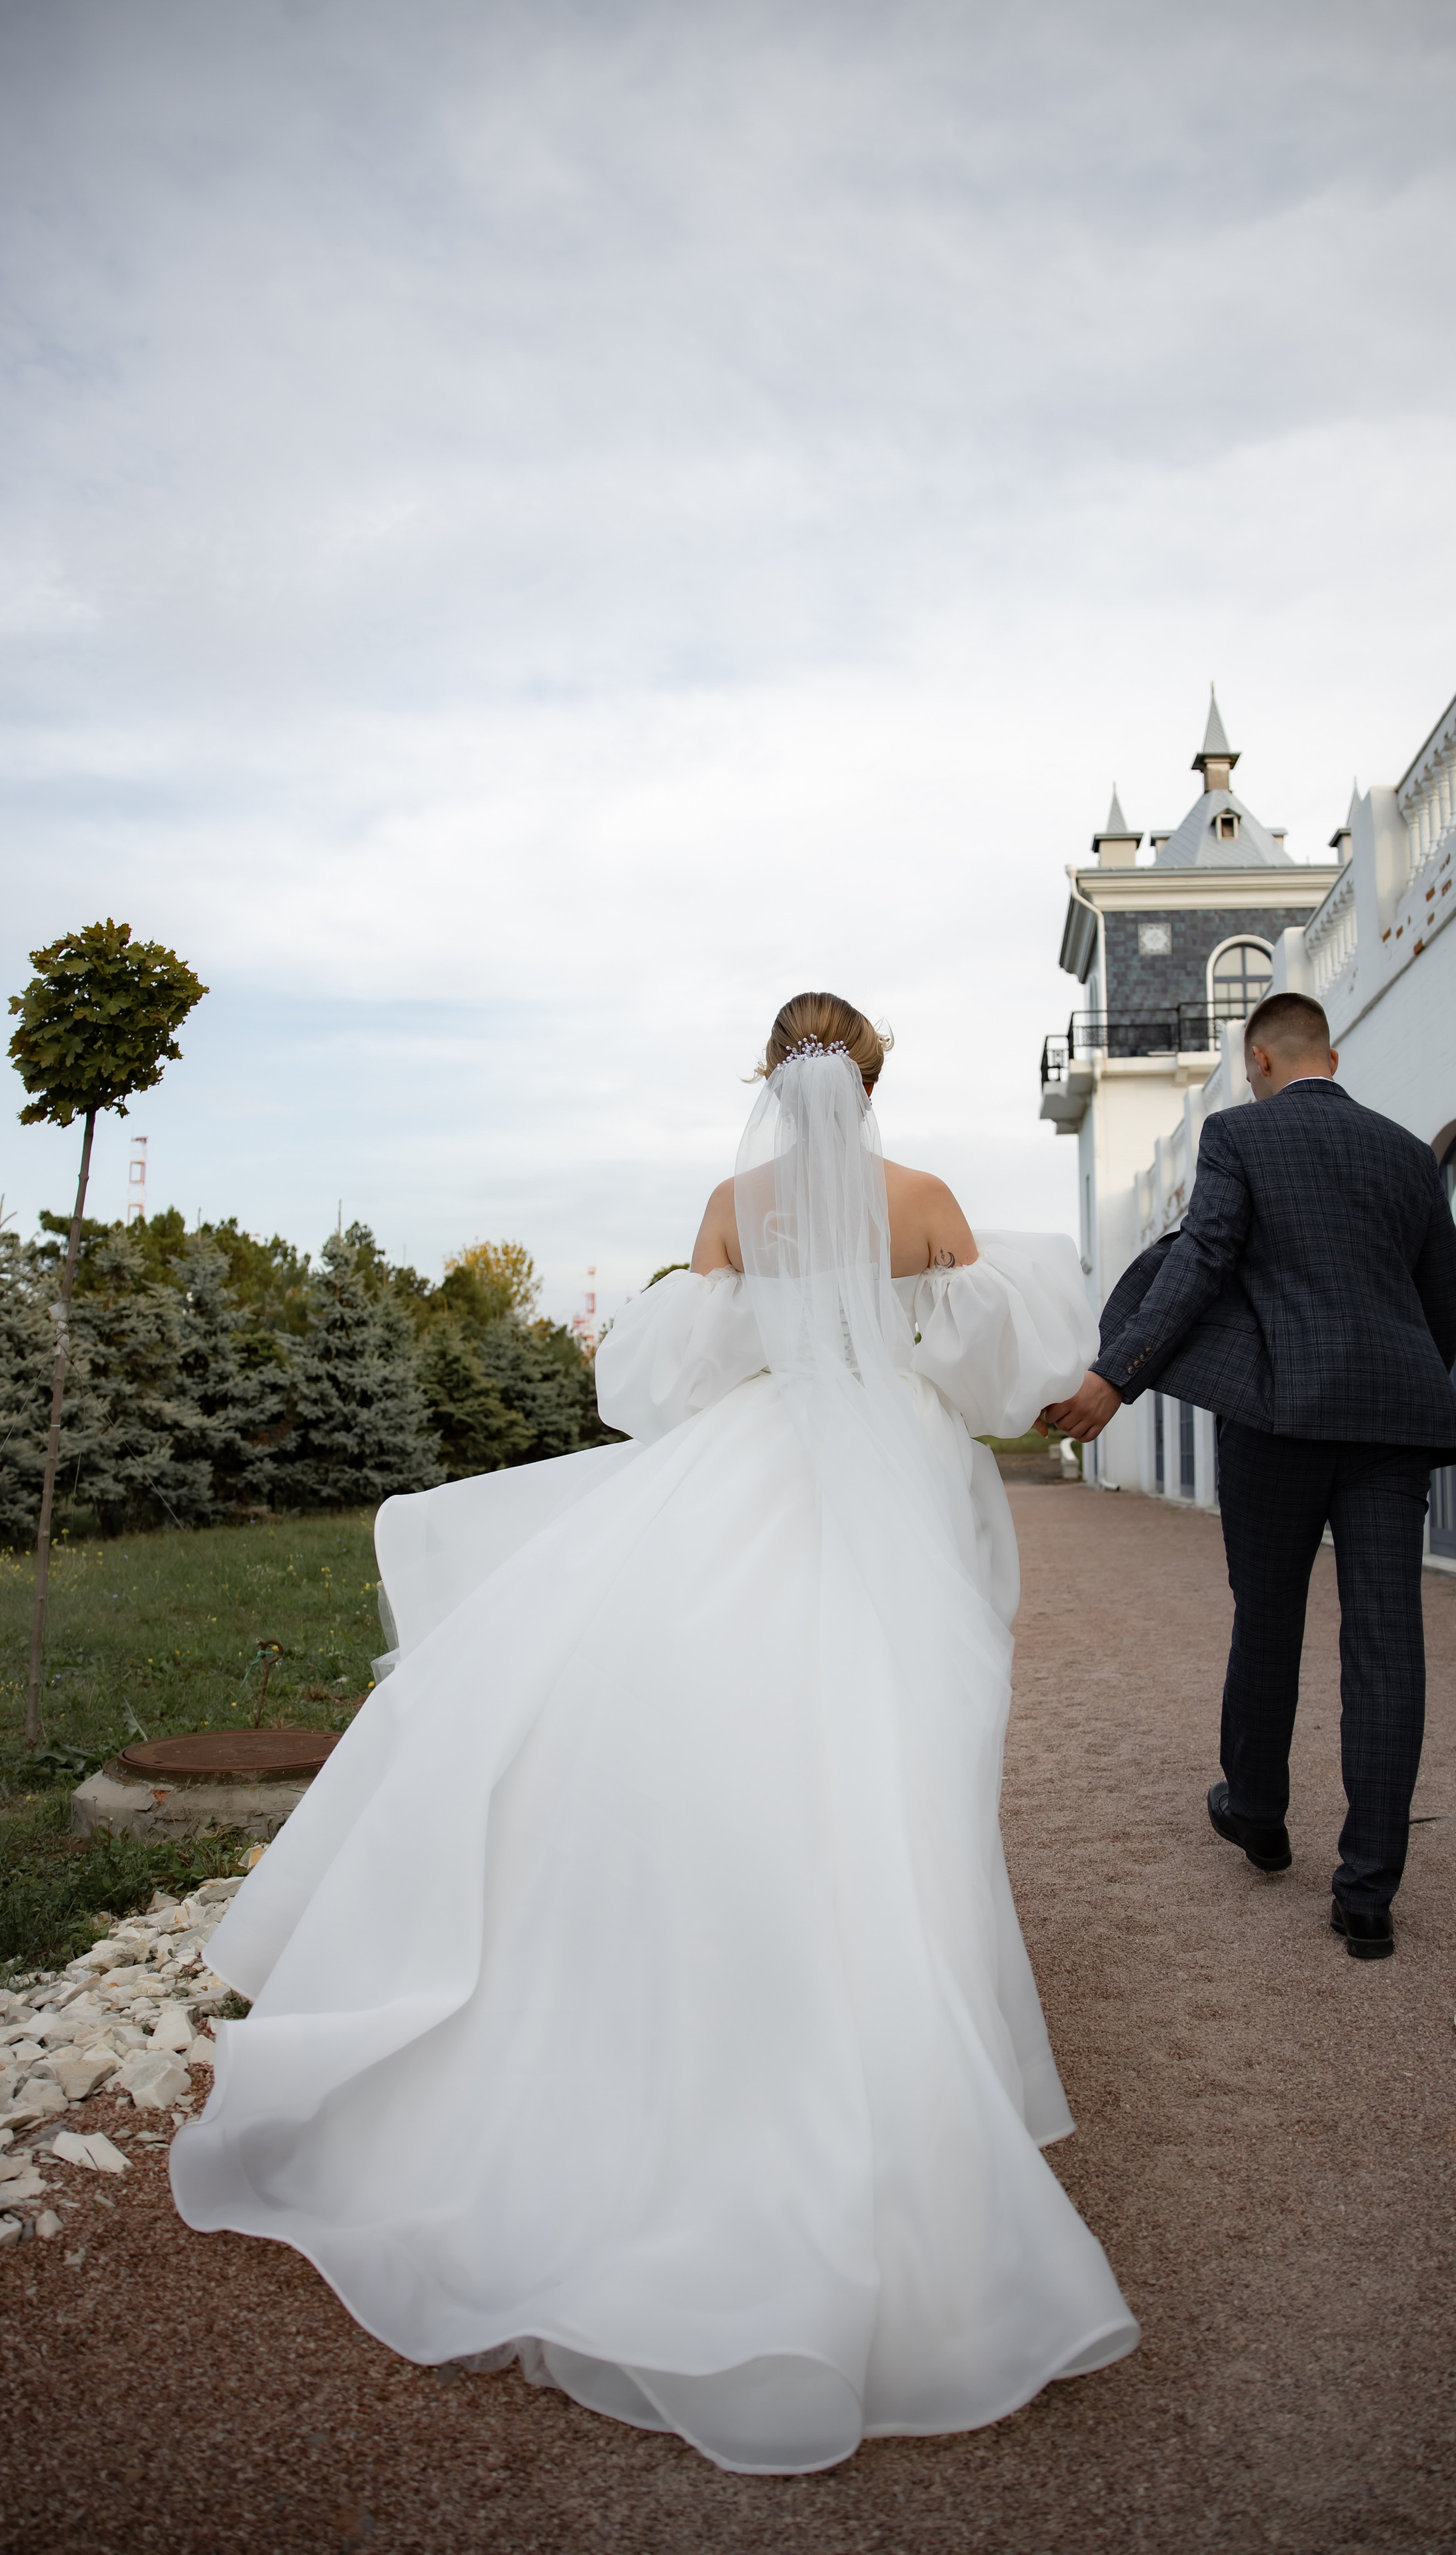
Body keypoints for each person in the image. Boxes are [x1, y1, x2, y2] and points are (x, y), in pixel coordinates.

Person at [172, 993, 1137, 2476]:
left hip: (747, 1475)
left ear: (766, 1078)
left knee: (708, 1737)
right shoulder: (926, 1201)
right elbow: (982, 1375)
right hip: (886, 1474)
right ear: (873, 1081)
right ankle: (889, 2031)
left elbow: (664, 1384)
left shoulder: (728, 1206)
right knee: (887, 1754)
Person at [1042, 990, 1456, 1962]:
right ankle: (1367, 1895)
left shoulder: (1239, 1135)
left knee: (1269, 1617)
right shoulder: (1408, 1152)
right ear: (1328, 1051)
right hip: (1393, 1424)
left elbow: (1203, 1260)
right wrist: (1399, 1392)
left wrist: (1115, 1376)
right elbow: (1442, 1302)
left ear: (1259, 1061)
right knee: (1387, 1645)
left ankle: (1260, 1812)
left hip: (1278, 1419)